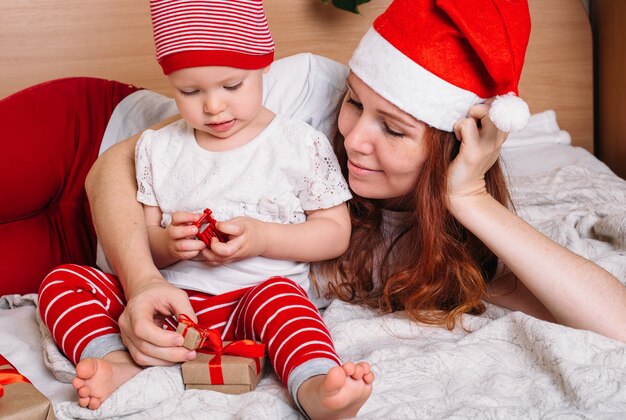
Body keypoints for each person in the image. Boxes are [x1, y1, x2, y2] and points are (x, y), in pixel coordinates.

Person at [83, 0, 626, 415]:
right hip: (86, 143)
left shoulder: (431, 238)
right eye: (354, 103)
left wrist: (469, 195)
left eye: (391, 129)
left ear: (451, 145)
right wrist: (142, 283)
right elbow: (109, 168)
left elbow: (616, 324)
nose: (353, 136)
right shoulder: (303, 88)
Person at [37, 1, 373, 418]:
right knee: (62, 281)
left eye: (232, 86)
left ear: (265, 66)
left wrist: (264, 237)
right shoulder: (158, 149)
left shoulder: (298, 144)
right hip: (172, 310)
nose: (213, 107)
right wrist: (169, 243)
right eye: (190, 92)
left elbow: (335, 233)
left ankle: (316, 385)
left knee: (285, 301)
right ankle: (119, 360)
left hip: (253, 302)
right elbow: (145, 244)